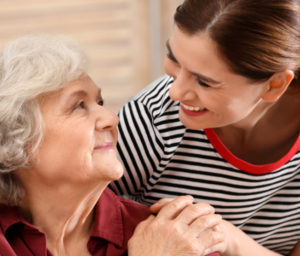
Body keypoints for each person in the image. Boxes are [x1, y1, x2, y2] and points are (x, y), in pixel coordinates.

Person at [0, 34, 224, 256]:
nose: (111, 118)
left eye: (99, 102)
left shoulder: (174, 239)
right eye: (78, 106)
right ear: (20, 141)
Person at [109, 0, 300, 255]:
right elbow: (70, 234)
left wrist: (229, 238)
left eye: (204, 82)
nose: (175, 92)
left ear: (275, 85)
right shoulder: (151, 121)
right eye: (173, 58)